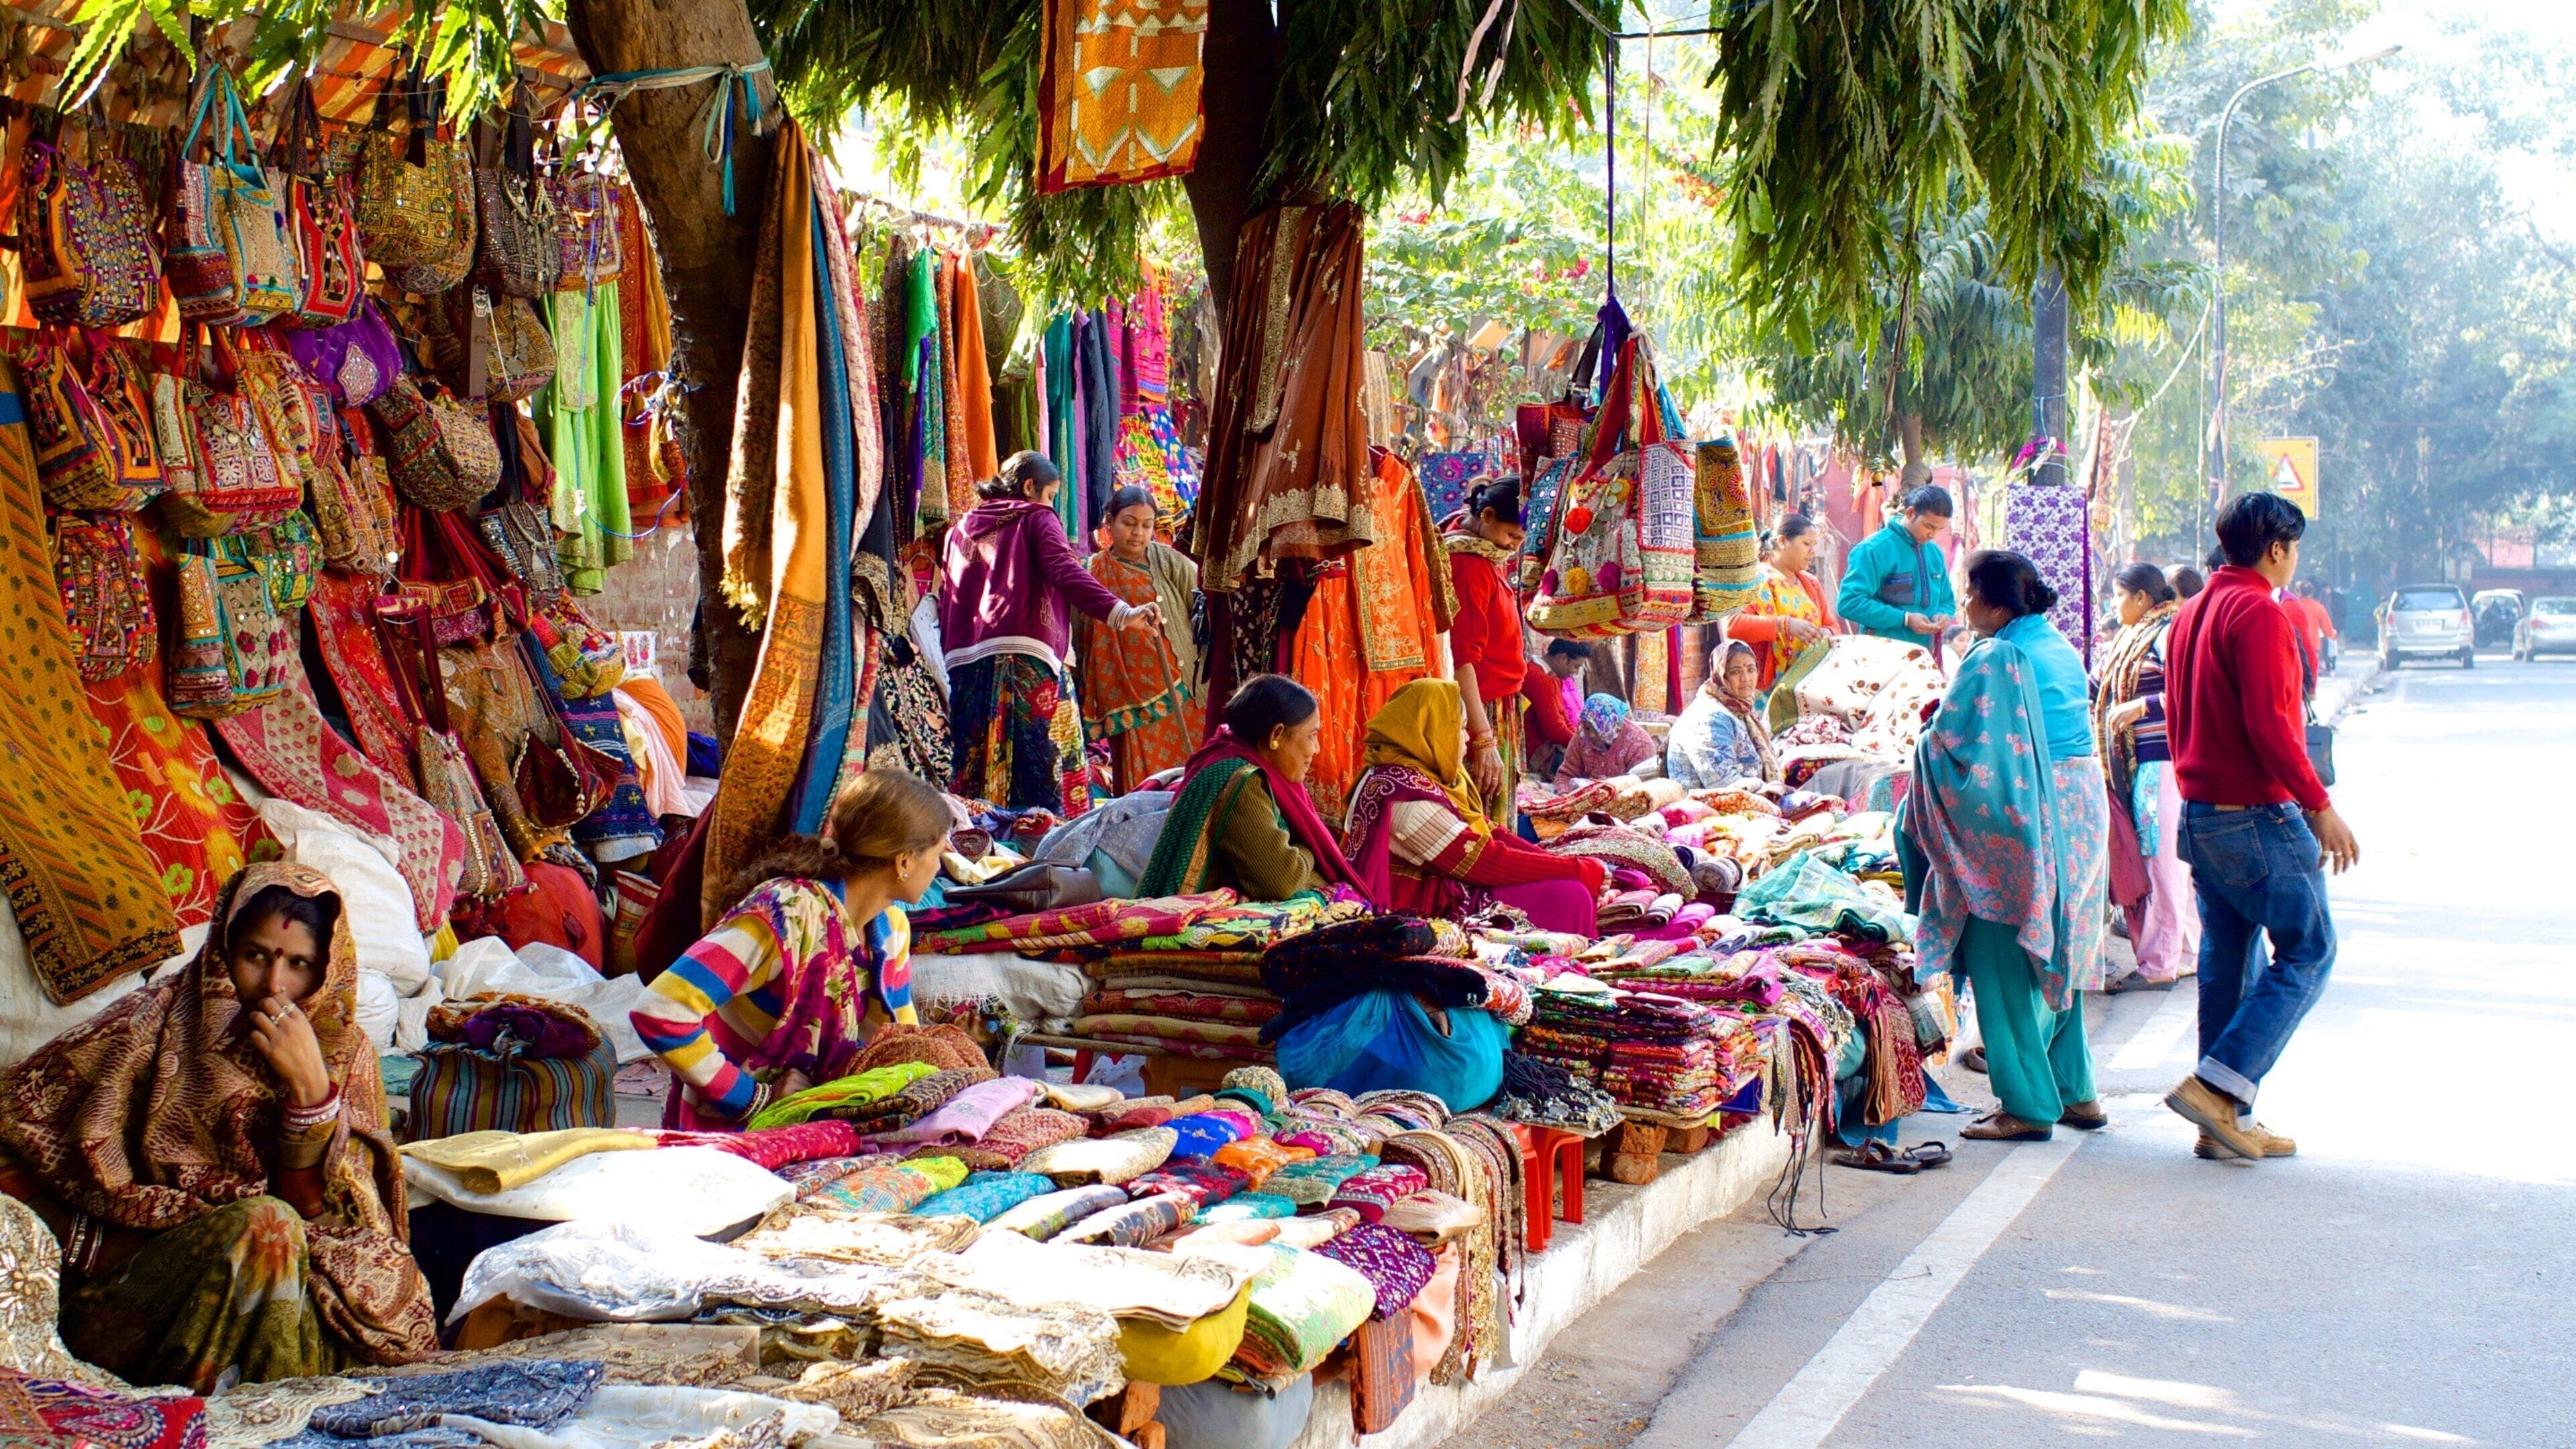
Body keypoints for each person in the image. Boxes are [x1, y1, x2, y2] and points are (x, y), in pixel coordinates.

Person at [0, 863, 436, 1389]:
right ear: (223, 950)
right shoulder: (151, 1025)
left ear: (326, 971)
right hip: (137, 1301)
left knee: (293, 1254)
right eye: (256, 956)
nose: (274, 985)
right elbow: (18, 1126)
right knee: (264, 1230)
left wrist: (310, 1098)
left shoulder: (345, 1056)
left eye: (298, 964)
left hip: (287, 1288)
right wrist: (98, 1245)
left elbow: (338, 1225)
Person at [2161, 492, 2359, 1163]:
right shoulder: (2260, 614)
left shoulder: (2192, 612)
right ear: (2276, 548)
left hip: (2202, 813)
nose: (2294, 559)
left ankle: (2222, 1119)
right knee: (2309, 950)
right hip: (2254, 813)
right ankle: (2219, 1094)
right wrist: (2319, 805)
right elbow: (2273, 729)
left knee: (2228, 960)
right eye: (2293, 547)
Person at [1900, 551, 2108, 1142]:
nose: (1962, 604)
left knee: (2002, 957)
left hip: (2024, 814)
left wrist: (1923, 741)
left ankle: (2028, 1104)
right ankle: (2076, 1092)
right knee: (2053, 952)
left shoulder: (1995, 657)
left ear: (1993, 603)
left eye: (1968, 593)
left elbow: (1953, 742)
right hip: (2079, 809)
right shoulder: (2056, 644)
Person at [635, 770, 952, 1130]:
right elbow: (661, 1010)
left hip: (821, 1131)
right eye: (938, 852)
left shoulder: (892, 930)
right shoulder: (784, 914)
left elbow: (895, 1044)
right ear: (905, 861)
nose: (940, 867)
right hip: (731, 1135)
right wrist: (752, 1098)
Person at [940, 451, 1163, 810]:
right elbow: (1064, 570)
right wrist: (1121, 612)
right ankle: (1044, 850)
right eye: (1051, 495)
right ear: (1030, 487)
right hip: (1027, 655)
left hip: (966, 662)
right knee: (1043, 765)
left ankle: (983, 844)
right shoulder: (1037, 517)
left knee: (974, 763)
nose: (1051, 504)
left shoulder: (959, 530)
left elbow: (947, 596)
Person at [1342, 679, 1607, 934]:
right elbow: (1481, 860)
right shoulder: (1402, 794)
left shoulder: (1415, 774)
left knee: (1568, 888)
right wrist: (1575, 869)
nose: (1467, 739)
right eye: (1459, 728)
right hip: (1413, 908)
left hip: (1441, 885)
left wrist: (1565, 864)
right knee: (1569, 896)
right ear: (1430, 730)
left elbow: (1491, 834)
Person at [1138, 674, 1370, 902]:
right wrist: (1307, 850)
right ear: (1276, 735)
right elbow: (1280, 881)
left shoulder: (1225, 758)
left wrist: (1294, 857)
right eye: (1311, 736)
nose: (1316, 749)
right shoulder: (1242, 782)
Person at [2094, 562, 2198, 988]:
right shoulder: (2131, 638)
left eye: (2119, 596)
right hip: (2144, 765)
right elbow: (2100, 686)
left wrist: (2143, 707)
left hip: (2161, 762)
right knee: (2169, 864)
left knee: (2160, 864)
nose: (2113, 604)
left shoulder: (2166, 633)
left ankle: (2158, 967)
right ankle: (2186, 955)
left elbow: (2193, 691)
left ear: (2141, 598)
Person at [1075, 485, 1205, 793]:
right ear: (1109, 523)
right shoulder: (1089, 571)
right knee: (1141, 786)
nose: (1138, 533)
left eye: (1147, 526)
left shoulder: (1171, 563)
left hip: (1179, 690)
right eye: (1129, 523)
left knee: (1187, 778)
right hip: (1123, 697)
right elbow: (1080, 634)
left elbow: (1202, 607)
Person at [1443, 481, 1530, 822]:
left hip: (1497, 705)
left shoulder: (1484, 550)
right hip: (1483, 708)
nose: (1515, 547)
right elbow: (1461, 658)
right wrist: (1482, 739)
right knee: (1484, 816)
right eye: (1513, 537)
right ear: (1488, 515)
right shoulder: (1469, 565)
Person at [1837, 486, 1957, 653]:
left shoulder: (1934, 552)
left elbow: (1947, 601)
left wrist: (1943, 614)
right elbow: (1849, 603)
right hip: (1881, 657)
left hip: (1925, 657)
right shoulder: (1873, 549)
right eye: (1929, 526)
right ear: (1910, 513)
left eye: (1939, 529)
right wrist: (1904, 619)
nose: (1933, 535)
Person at [1728, 513, 1840, 690]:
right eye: (1806, 544)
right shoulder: (1755, 579)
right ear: (1782, 542)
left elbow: (1832, 626)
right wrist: (1784, 625)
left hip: (1808, 685)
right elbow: (1734, 625)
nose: (1812, 551)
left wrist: (1826, 633)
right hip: (1766, 686)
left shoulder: (1811, 583)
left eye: (1814, 545)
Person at [1668, 640, 1779, 788]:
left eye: (1751, 670)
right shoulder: (1710, 717)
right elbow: (1722, 784)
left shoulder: (1742, 708)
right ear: (1721, 675)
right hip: (1711, 805)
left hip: (1746, 796)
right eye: (1735, 672)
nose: (1746, 678)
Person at [1554, 692, 1660, 785]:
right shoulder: (1582, 736)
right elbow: (1566, 774)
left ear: (1610, 724)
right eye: (1587, 728)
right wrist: (1565, 795)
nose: (1591, 735)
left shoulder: (1640, 744)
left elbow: (1643, 787)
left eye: (1598, 728)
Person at [2293, 580, 2339, 673]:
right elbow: (2329, 632)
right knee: (2310, 678)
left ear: (2298, 592)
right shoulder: (2319, 608)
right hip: (2312, 648)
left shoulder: (2290, 606)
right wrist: (2334, 634)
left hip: (2294, 648)